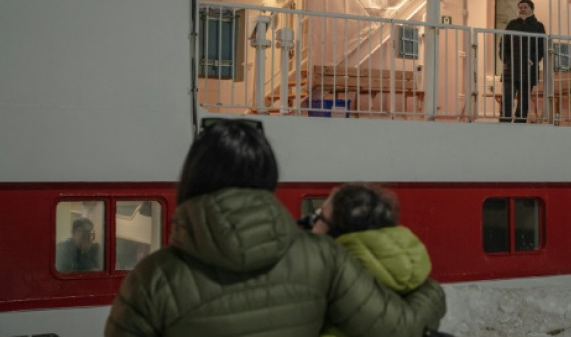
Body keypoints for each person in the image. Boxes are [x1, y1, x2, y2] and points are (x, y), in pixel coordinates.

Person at [105, 120, 446, 337]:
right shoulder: (321, 258)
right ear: (268, 177)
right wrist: (430, 290)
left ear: (193, 177)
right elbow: (400, 328)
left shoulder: (152, 279)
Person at [308, 183, 435, 337]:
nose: (312, 226)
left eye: (319, 218)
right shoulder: (421, 290)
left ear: (338, 233)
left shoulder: (327, 292)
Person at [499, 0, 546, 123]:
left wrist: (533, 60)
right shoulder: (511, 24)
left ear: (531, 9)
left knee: (524, 98)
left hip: (528, 68)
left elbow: (541, 47)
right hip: (511, 68)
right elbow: (504, 44)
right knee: (507, 96)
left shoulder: (538, 26)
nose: (522, 9)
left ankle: (520, 121)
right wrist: (506, 60)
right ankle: (504, 121)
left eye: (525, 7)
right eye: (520, 7)